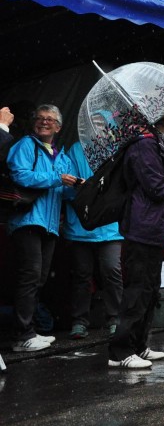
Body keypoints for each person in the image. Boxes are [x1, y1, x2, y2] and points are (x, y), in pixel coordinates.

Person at [110, 108, 164, 368]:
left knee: (149, 291)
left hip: (155, 227)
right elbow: (157, 188)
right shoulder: (144, 145)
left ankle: (138, 345)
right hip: (141, 228)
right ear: (158, 114)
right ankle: (120, 352)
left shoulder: (159, 142)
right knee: (137, 291)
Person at [7, 105, 75, 352]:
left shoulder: (63, 157)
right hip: (27, 221)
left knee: (39, 279)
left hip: (50, 225)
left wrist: (76, 186)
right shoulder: (25, 145)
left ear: (58, 127)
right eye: (40, 118)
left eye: (50, 119)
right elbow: (20, 175)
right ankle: (22, 335)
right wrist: (57, 179)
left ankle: (30, 330)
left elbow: (64, 194)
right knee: (30, 277)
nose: (44, 122)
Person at [64, 129, 124, 340]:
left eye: (102, 123)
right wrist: (82, 189)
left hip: (110, 227)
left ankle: (116, 318)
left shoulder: (117, 150)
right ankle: (79, 321)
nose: (96, 127)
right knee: (81, 275)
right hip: (81, 226)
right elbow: (66, 187)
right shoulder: (75, 149)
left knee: (112, 270)